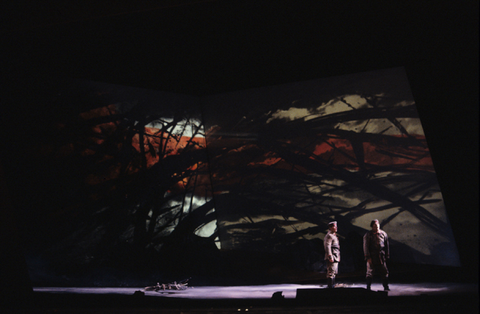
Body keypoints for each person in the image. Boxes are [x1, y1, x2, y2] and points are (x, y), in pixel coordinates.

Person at [363, 219, 390, 291]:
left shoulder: (383, 234)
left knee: (384, 272)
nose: (377, 226)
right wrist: (368, 257)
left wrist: (387, 255)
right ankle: (368, 287)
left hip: (381, 256)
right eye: (375, 225)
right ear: (372, 226)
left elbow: (386, 245)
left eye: (377, 224)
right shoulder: (368, 235)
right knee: (370, 272)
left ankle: (386, 287)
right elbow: (365, 246)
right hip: (372, 256)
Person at [324, 221, 340, 288]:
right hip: (332, 256)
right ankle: (330, 287)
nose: (336, 227)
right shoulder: (329, 236)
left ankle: (332, 285)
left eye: (336, 226)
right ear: (330, 227)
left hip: (335, 256)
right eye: (334, 226)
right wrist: (330, 256)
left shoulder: (334, 235)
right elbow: (327, 246)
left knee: (334, 272)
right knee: (331, 272)